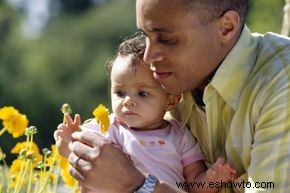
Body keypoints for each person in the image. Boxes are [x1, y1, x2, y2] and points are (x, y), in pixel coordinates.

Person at [66, 0, 290, 192]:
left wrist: (134, 185)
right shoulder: (168, 81)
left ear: (226, 28)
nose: (148, 56)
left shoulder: (281, 84)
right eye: (145, 36)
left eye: (166, 39)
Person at [54, 35, 236, 193]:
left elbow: (195, 183)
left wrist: (213, 178)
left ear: (171, 101)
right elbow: (74, 155)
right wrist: (67, 141)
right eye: (120, 92)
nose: (128, 101)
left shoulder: (179, 136)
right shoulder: (107, 127)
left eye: (142, 93)